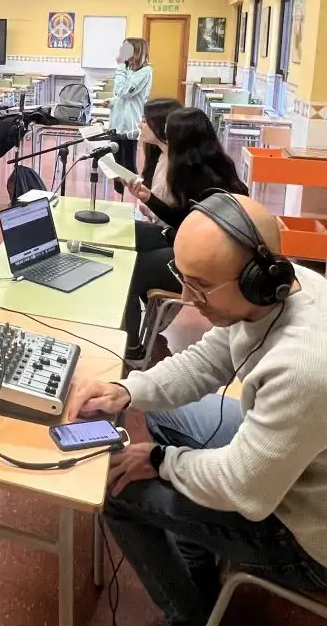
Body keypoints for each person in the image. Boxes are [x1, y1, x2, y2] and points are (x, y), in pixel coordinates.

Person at [67, 195, 327, 626]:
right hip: (284, 465)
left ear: (253, 280)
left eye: (201, 286)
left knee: (116, 490)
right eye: (183, 279)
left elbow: (244, 490)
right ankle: (199, 559)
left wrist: (161, 460)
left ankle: (187, 615)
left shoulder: (305, 367)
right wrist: (127, 391)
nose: (187, 298)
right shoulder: (283, 286)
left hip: (305, 533)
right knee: (160, 414)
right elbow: (206, 361)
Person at [123, 107, 248, 357]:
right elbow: (185, 219)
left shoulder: (205, 178)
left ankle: (132, 347)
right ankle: (137, 325)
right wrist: (150, 199)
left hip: (211, 260)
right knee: (129, 236)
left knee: (130, 267)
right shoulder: (202, 166)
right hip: (194, 244)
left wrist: (169, 234)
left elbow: (195, 229)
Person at [109, 37, 152, 190]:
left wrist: (120, 66)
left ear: (136, 52)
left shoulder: (145, 72)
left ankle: (136, 197)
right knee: (116, 167)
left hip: (129, 126)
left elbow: (124, 91)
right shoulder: (127, 69)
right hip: (116, 123)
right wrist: (111, 101)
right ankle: (118, 198)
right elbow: (118, 95)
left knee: (128, 167)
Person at [138, 97, 183, 222]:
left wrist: (148, 203)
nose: (140, 125)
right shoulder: (160, 156)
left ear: (161, 125)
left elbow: (176, 217)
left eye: (145, 121)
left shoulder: (181, 164)